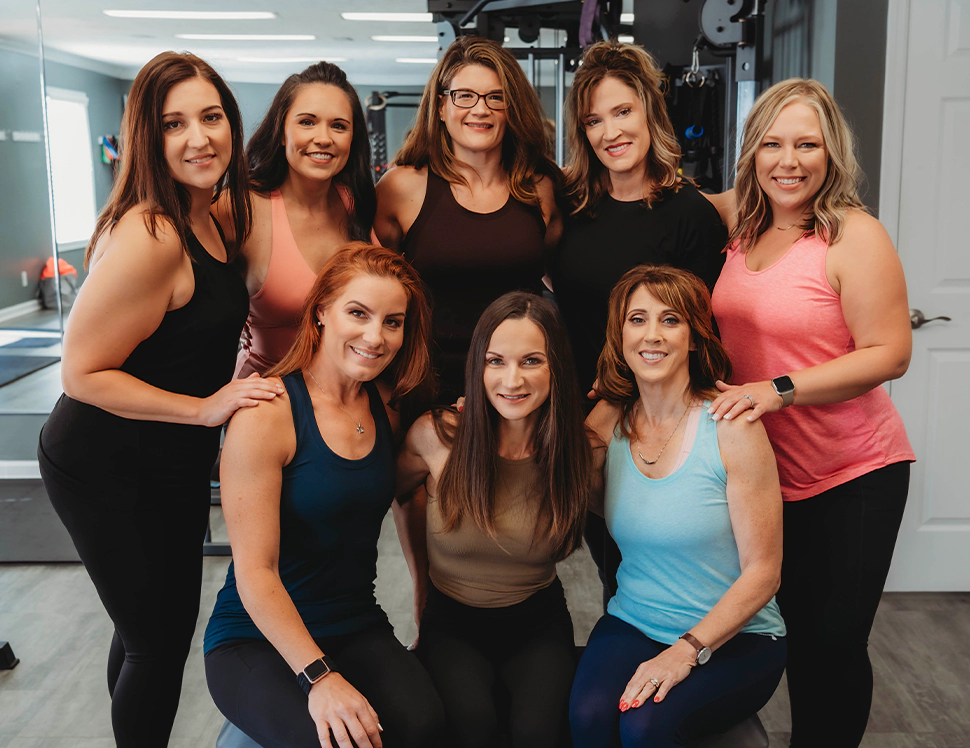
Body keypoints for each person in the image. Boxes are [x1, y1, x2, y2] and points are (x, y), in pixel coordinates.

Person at [36, 52, 281, 747]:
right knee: (158, 641)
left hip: (167, 458)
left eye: (210, 117)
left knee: (147, 628)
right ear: (148, 137)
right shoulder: (153, 233)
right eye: (174, 124)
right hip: (102, 459)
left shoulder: (211, 214)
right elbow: (81, 374)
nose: (198, 138)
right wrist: (205, 408)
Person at [707, 78, 915, 748]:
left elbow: (891, 352)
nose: (787, 160)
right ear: (752, 151)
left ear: (832, 153)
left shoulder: (853, 234)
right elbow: (657, 201)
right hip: (770, 477)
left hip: (855, 471)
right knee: (788, 634)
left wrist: (779, 389)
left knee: (833, 644)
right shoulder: (743, 222)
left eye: (806, 144)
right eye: (771, 143)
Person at [204, 243, 446, 748]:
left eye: (393, 322)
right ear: (320, 311)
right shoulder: (266, 414)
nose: (375, 336)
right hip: (257, 638)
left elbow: (398, 492)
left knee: (424, 726)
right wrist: (319, 678)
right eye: (357, 313)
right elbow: (255, 571)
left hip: (354, 622)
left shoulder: (387, 407)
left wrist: (424, 599)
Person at [571, 265, 787, 748]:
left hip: (738, 638)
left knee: (643, 726)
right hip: (634, 621)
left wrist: (686, 650)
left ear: (694, 337)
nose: (652, 335)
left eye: (671, 320)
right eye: (637, 319)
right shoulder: (607, 422)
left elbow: (764, 573)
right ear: (619, 335)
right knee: (588, 717)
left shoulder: (732, 427)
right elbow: (557, 483)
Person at [550, 40, 727, 602]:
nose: (610, 132)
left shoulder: (690, 216)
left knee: (662, 570)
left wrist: (616, 400)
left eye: (622, 111)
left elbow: (700, 337)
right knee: (614, 573)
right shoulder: (571, 209)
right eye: (594, 120)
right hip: (581, 417)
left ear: (651, 111)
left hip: (658, 423)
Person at [395, 291, 591, 748]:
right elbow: (397, 493)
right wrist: (421, 581)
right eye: (496, 361)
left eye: (532, 361)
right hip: (452, 622)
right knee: (471, 729)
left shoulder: (581, 448)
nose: (512, 379)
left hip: (537, 622)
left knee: (537, 734)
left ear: (555, 368)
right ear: (477, 368)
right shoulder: (436, 434)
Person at [374, 36, 562, 404]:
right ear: (442, 107)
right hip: (428, 385)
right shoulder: (402, 187)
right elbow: (378, 292)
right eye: (465, 96)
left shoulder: (541, 188)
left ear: (512, 108)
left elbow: (562, 277)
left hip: (518, 385)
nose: (481, 109)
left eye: (496, 97)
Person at [215, 61, 376, 378]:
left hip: (349, 397)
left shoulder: (360, 204)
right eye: (307, 122)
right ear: (282, 132)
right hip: (268, 399)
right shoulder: (239, 208)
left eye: (339, 126)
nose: (323, 137)